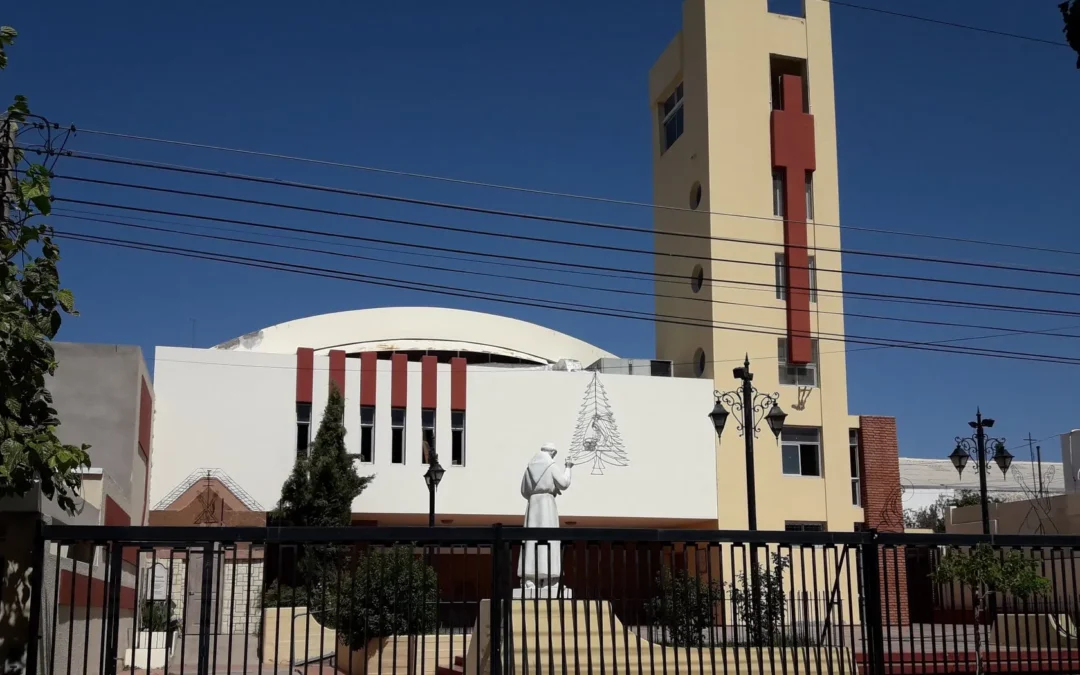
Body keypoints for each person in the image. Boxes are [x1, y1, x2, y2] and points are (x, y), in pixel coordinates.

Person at [517, 442, 573, 595]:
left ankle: (529, 579)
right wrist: (568, 467)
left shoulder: (529, 467)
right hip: (547, 505)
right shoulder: (551, 465)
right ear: (552, 453)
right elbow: (564, 483)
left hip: (533, 505)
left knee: (531, 541)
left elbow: (523, 490)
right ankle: (551, 580)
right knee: (550, 539)